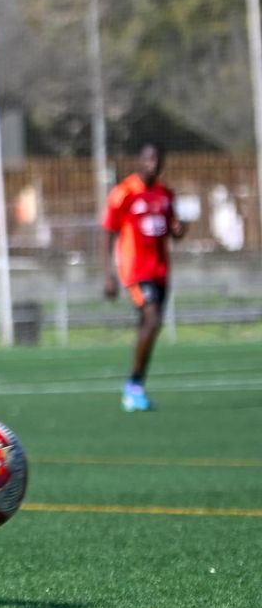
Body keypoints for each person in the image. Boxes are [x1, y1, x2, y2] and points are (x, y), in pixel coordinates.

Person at [102, 142, 184, 412]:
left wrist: (180, 229)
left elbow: (173, 231)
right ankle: (133, 385)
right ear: (139, 161)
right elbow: (108, 231)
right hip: (135, 270)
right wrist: (108, 274)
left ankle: (136, 387)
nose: (153, 164)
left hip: (161, 270)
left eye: (157, 160)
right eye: (148, 159)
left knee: (150, 325)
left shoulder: (165, 194)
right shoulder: (124, 192)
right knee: (153, 318)